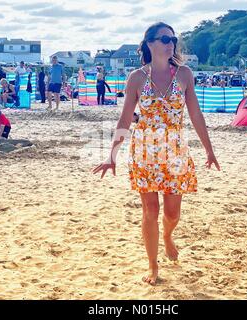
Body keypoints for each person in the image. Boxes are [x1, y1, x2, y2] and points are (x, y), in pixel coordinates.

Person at [92, 22, 220, 285]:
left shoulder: (184, 74)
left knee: (172, 213)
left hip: (175, 151)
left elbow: (195, 114)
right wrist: (111, 155)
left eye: (172, 39)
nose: (170, 43)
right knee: (150, 210)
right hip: (144, 151)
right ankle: (153, 266)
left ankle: (167, 236)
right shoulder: (137, 78)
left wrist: (209, 149)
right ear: (149, 43)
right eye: (163, 38)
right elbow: (125, 118)